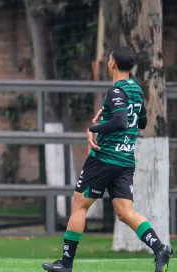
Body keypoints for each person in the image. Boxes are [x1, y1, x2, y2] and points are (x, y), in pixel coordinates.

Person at [41, 46, 173, 272]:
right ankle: (160, 248)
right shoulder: (136, 91)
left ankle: (66, 263)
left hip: (104, 158)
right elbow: (139, 122)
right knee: (124, 211)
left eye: (109, 58)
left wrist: (94, 127)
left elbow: (121, 122)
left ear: (112, 63)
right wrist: (109, 113)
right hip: (125, 160)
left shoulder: (115, 92)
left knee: (79, 206)